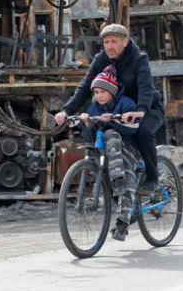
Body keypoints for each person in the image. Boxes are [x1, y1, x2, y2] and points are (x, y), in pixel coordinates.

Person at [54, 23, 164, 192]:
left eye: (114, 42)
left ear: (125, 42)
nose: (109, 46)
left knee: (143, 132)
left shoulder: (138, 59)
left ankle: (152, 176)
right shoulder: (101, 59)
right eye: (106, 42)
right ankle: (115, 182)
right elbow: (85, 86)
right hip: (118, 110)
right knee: (102, 134)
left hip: (146, 108)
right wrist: (66, 110)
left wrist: (141, 111)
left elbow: (145, 87)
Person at [78, 65, 140, 241]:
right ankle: (116, 185)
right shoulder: (93, 108)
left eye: (103, 91)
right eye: (96, 92)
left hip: (129, 147)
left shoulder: (126, 103)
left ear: (112, 91)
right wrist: (87, 123)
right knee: (103, 141)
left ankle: (121, 224)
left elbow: (133, 129)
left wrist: (114, 121)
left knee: (112, 135)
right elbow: (91, 137)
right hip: (108, 154)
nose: (99, 96)